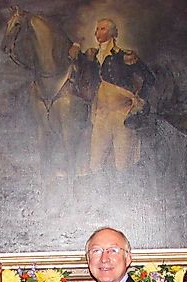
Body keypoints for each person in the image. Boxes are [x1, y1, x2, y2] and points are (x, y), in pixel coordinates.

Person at [72, 18, 154, 172]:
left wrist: (139, 102)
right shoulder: (91, 57)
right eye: (97, 29)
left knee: (123, 165)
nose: (98, 32)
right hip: (101, 116)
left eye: (102, 28)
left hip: (122, 115)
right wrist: (76, 48)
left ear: (112, 33)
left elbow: (149, 78)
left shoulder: (125, 56)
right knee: (95, 164)